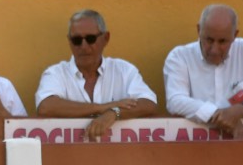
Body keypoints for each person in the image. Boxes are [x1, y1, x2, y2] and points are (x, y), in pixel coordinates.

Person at [35, 9, 158, 141]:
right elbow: (46, 107)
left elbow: (149, 103)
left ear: (106, 38)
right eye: (76, 40)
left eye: (90, 39)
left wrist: (114, 113)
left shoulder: (124, 70)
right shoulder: (55, 73)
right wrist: (103, 108)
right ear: (69, 41)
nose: (84, 46)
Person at [164, 4, 243, 139]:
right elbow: (175, 101)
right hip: (194, 145)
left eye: (222, 41)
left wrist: (241, 108)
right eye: (209, 40)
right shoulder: (179, 57)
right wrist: (221, 116)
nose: (214, 50)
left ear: (235, 35)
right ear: (198, 30)